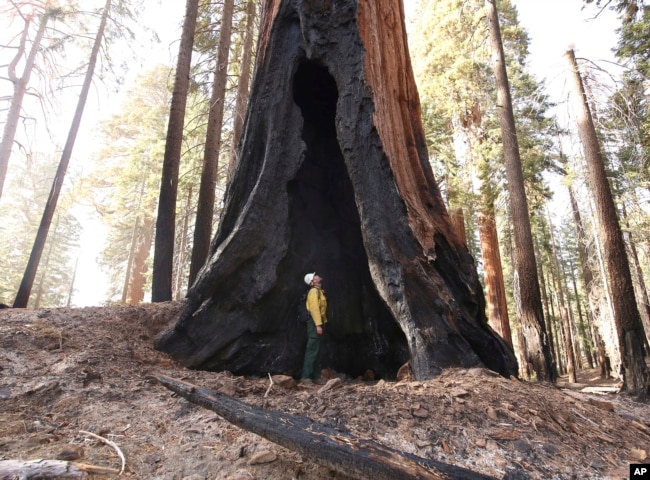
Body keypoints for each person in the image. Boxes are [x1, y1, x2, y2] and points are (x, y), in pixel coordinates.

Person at [301, 272, 328, 384]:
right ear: (313, 281)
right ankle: (306, 377)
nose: (317, 276)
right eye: (315, 276)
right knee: (312, 349)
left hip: (319, 322)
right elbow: (314, 309)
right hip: (314, 323)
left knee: (317, 350)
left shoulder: (319, 291)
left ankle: (316, 376)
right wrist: (318, 325)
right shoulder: (313, 292)